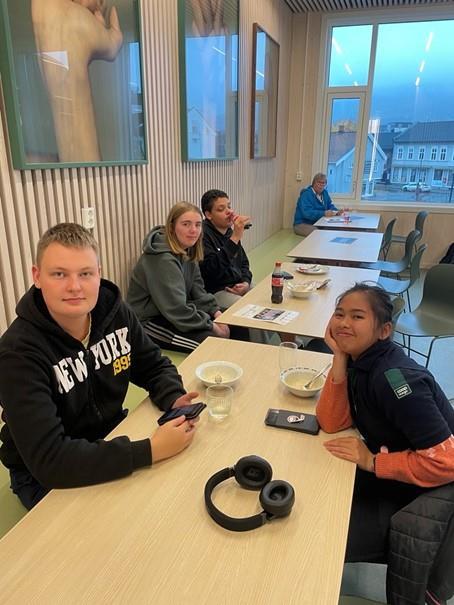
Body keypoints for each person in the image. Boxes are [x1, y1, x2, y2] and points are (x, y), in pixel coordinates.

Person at [0, 223, 199, 510]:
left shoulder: (115, 312)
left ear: (99, 274)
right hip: (44, 474)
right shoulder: (16, 354)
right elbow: (49, 460)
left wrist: (173, 396)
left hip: (111, 438)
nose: (75, 287)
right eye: (59, 274)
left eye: (85, 273)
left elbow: (154, 366)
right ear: (37, 276)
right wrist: (151, 450)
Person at [316, 284, 454, 602]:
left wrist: (373, 462)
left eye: (357, 316)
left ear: (384, 331)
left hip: (426, 496)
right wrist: (339, 356)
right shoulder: (361, 361)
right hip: (401, 477)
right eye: (339, 314)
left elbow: (446, 462)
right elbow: (332, 422)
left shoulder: (395, 380)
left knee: (320, 538)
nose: (344, 323)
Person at [127, 202, 236, 353]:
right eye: (186, 224)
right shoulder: (162, 259)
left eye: (198, 225)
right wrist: (213, 326)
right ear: (172, 227)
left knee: (235, 325)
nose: (193, 230)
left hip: (172, 313)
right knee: (212, 345)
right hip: (148, 322)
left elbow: (198, 291)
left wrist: (217, 313)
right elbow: (177, 310)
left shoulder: (188, 250)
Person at [31, 0, 123, 162]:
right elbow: (113, 46)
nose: (99, 7)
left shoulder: (41, 11)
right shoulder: (77, 19)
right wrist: (113, 35)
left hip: (70, 162)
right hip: (88, 165)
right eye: (99, 1)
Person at [199, 189, 252, 310]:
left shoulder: (229, 232)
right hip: (216, 291)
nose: (230, 212)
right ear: (208, 215)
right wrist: (235, 238)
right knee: (246, 309)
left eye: (229, 206)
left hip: (237, 284)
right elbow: (211, 271)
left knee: (264, 295)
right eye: (221, 209)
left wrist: (246, 282)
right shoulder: (202, 235)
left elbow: (244, 263)